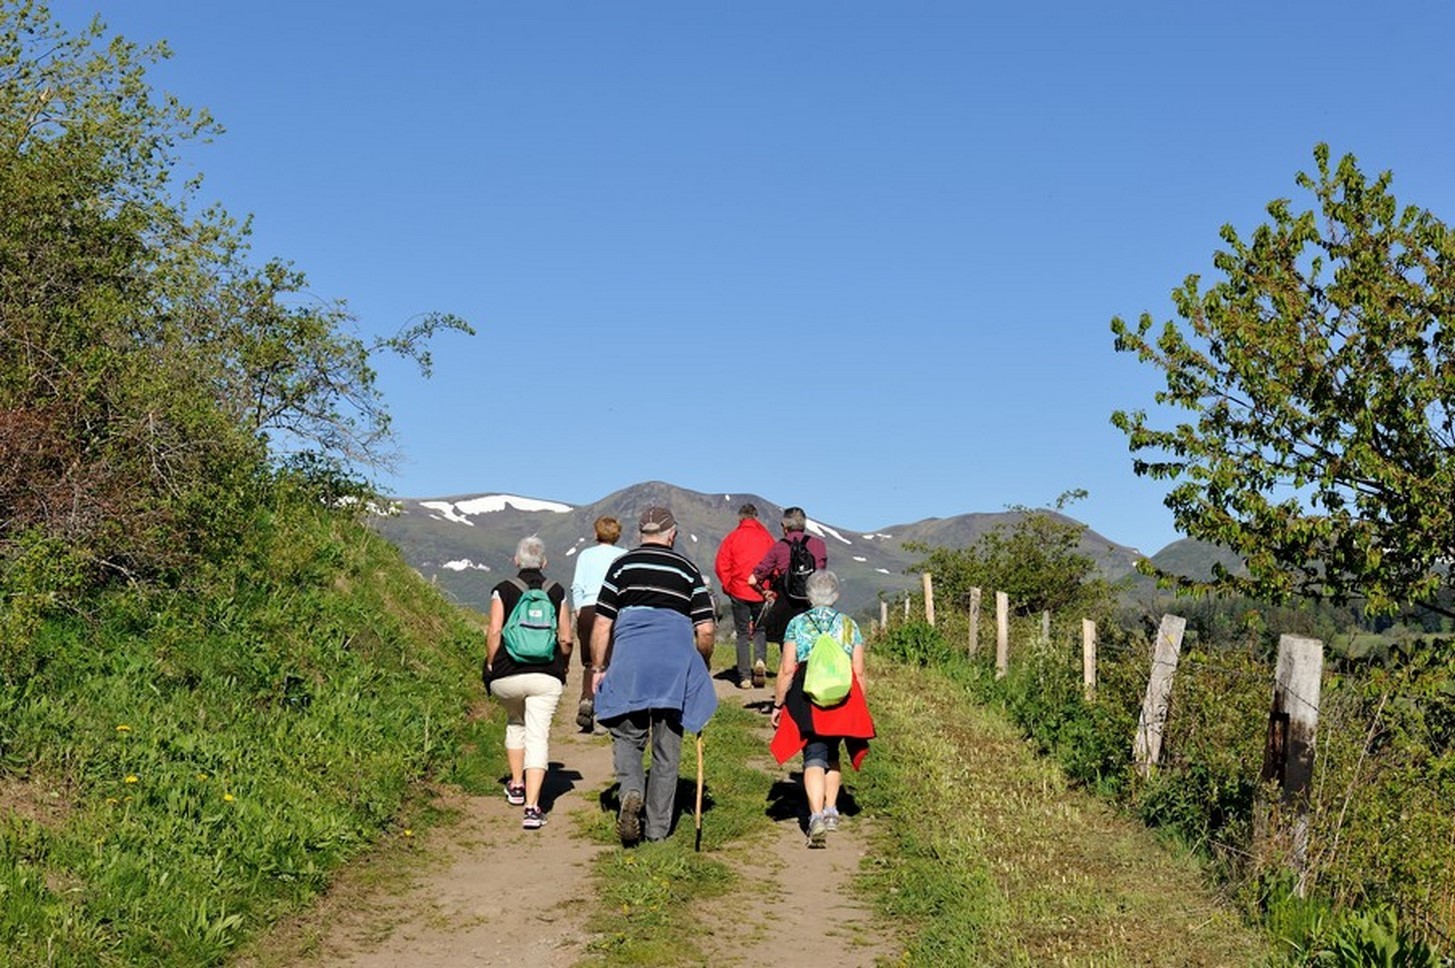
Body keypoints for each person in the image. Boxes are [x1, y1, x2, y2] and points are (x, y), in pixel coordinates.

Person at [590, 506, 718, 845]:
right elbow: (705, 629)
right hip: (673, 667)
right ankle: (658, 832)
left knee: (626, 733)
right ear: (672, 535)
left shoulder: (621, 566)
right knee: (667, 748)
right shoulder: (688, 570)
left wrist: (598, 667)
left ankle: (632, 789)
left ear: (639, 533)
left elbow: (603, 623)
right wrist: (701, 665)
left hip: (630, 660)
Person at [768, 570, 875, 848]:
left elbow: (787, 668)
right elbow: (859, 671)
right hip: (842, 695)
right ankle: (831, 812)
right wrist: (859, 706)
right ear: (836, 595)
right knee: (833, 751)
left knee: (814, 752)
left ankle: (814, 815)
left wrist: (778, 703)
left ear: (807, 595)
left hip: (807, 694)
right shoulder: (850, 626)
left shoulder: (797, 624)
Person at [484, 535, 573, 830]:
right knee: (538, 736)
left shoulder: (502, 589)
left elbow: (495, 631)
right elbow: (565, 638)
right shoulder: (556, 591)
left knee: (515, 720)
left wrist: (489, 663)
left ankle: (517, 784)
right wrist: (564, 664)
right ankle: (533, 809)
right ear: (544, 562)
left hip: (507, 676)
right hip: (546, 676)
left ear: (516, 560)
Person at [569, 515, 628, 731]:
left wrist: (578, 609)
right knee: (610, 660)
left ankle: (587, 698)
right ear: (617, 534)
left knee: (590, 661)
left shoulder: (586, 555)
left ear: (596, 534)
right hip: (614, 609)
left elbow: (577, 585)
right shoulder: (624, 556)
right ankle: (604, 712)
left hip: (587, 608)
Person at [714, 502, 776, 690]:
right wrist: (770, 588)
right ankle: (760, 661)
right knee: (760, 631)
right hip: (760, 590)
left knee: (742, 633)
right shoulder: (766, 538)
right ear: (756, 517)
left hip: (739, 590)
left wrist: (728, 585)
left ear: (740, 518)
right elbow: (774, 564)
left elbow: (721, 564)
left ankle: (744, 677)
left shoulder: (732, 538)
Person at [750, 506, 829, 651]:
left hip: (787, 605)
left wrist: (764, 592)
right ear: (804, 525)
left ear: (784, 526)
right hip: (813, 602)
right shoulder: (819, 545)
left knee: (788, 647)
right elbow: (822, 574)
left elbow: (753, 580)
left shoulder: (779, 547)